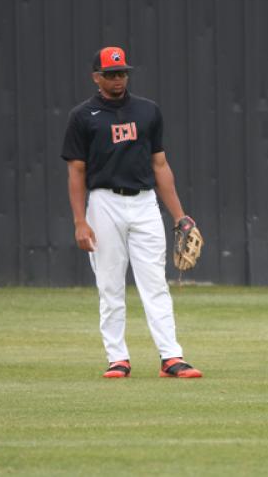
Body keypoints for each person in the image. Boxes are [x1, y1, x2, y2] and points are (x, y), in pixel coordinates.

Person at [61, 46, 202, 379]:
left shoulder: (147, 111)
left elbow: (160, 165)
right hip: (104, 202)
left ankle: (171, 358)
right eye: (110, 74)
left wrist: (180, 216)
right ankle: (118, 358)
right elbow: (76, 172)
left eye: (122, 72)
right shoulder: (82, 117)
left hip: (143, 202)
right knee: (110, 284)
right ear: (96, 77)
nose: (117, 79)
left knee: (155, 284)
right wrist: (80, 221)